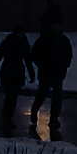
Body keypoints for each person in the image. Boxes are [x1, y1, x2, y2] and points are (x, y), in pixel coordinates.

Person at [30, 9, 72, 139]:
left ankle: (54, 118)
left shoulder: (63, 40)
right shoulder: (44, 39)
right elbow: (35, 54)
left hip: (58, 73)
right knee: (42, 94)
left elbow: (68, 54)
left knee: (57, 96)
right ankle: (34, 111)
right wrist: (43, 65)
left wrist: (65, 65)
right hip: (46, 72)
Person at [0, 26, 35, 131]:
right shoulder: (8, 43)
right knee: (11, 95)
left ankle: (8, 116)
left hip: (17, 72)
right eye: (19, 32)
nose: (21, 34)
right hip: (8, 72)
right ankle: (7, 117)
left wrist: (31, 73)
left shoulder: (23, 44)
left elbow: (27, 59)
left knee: (13, 96)